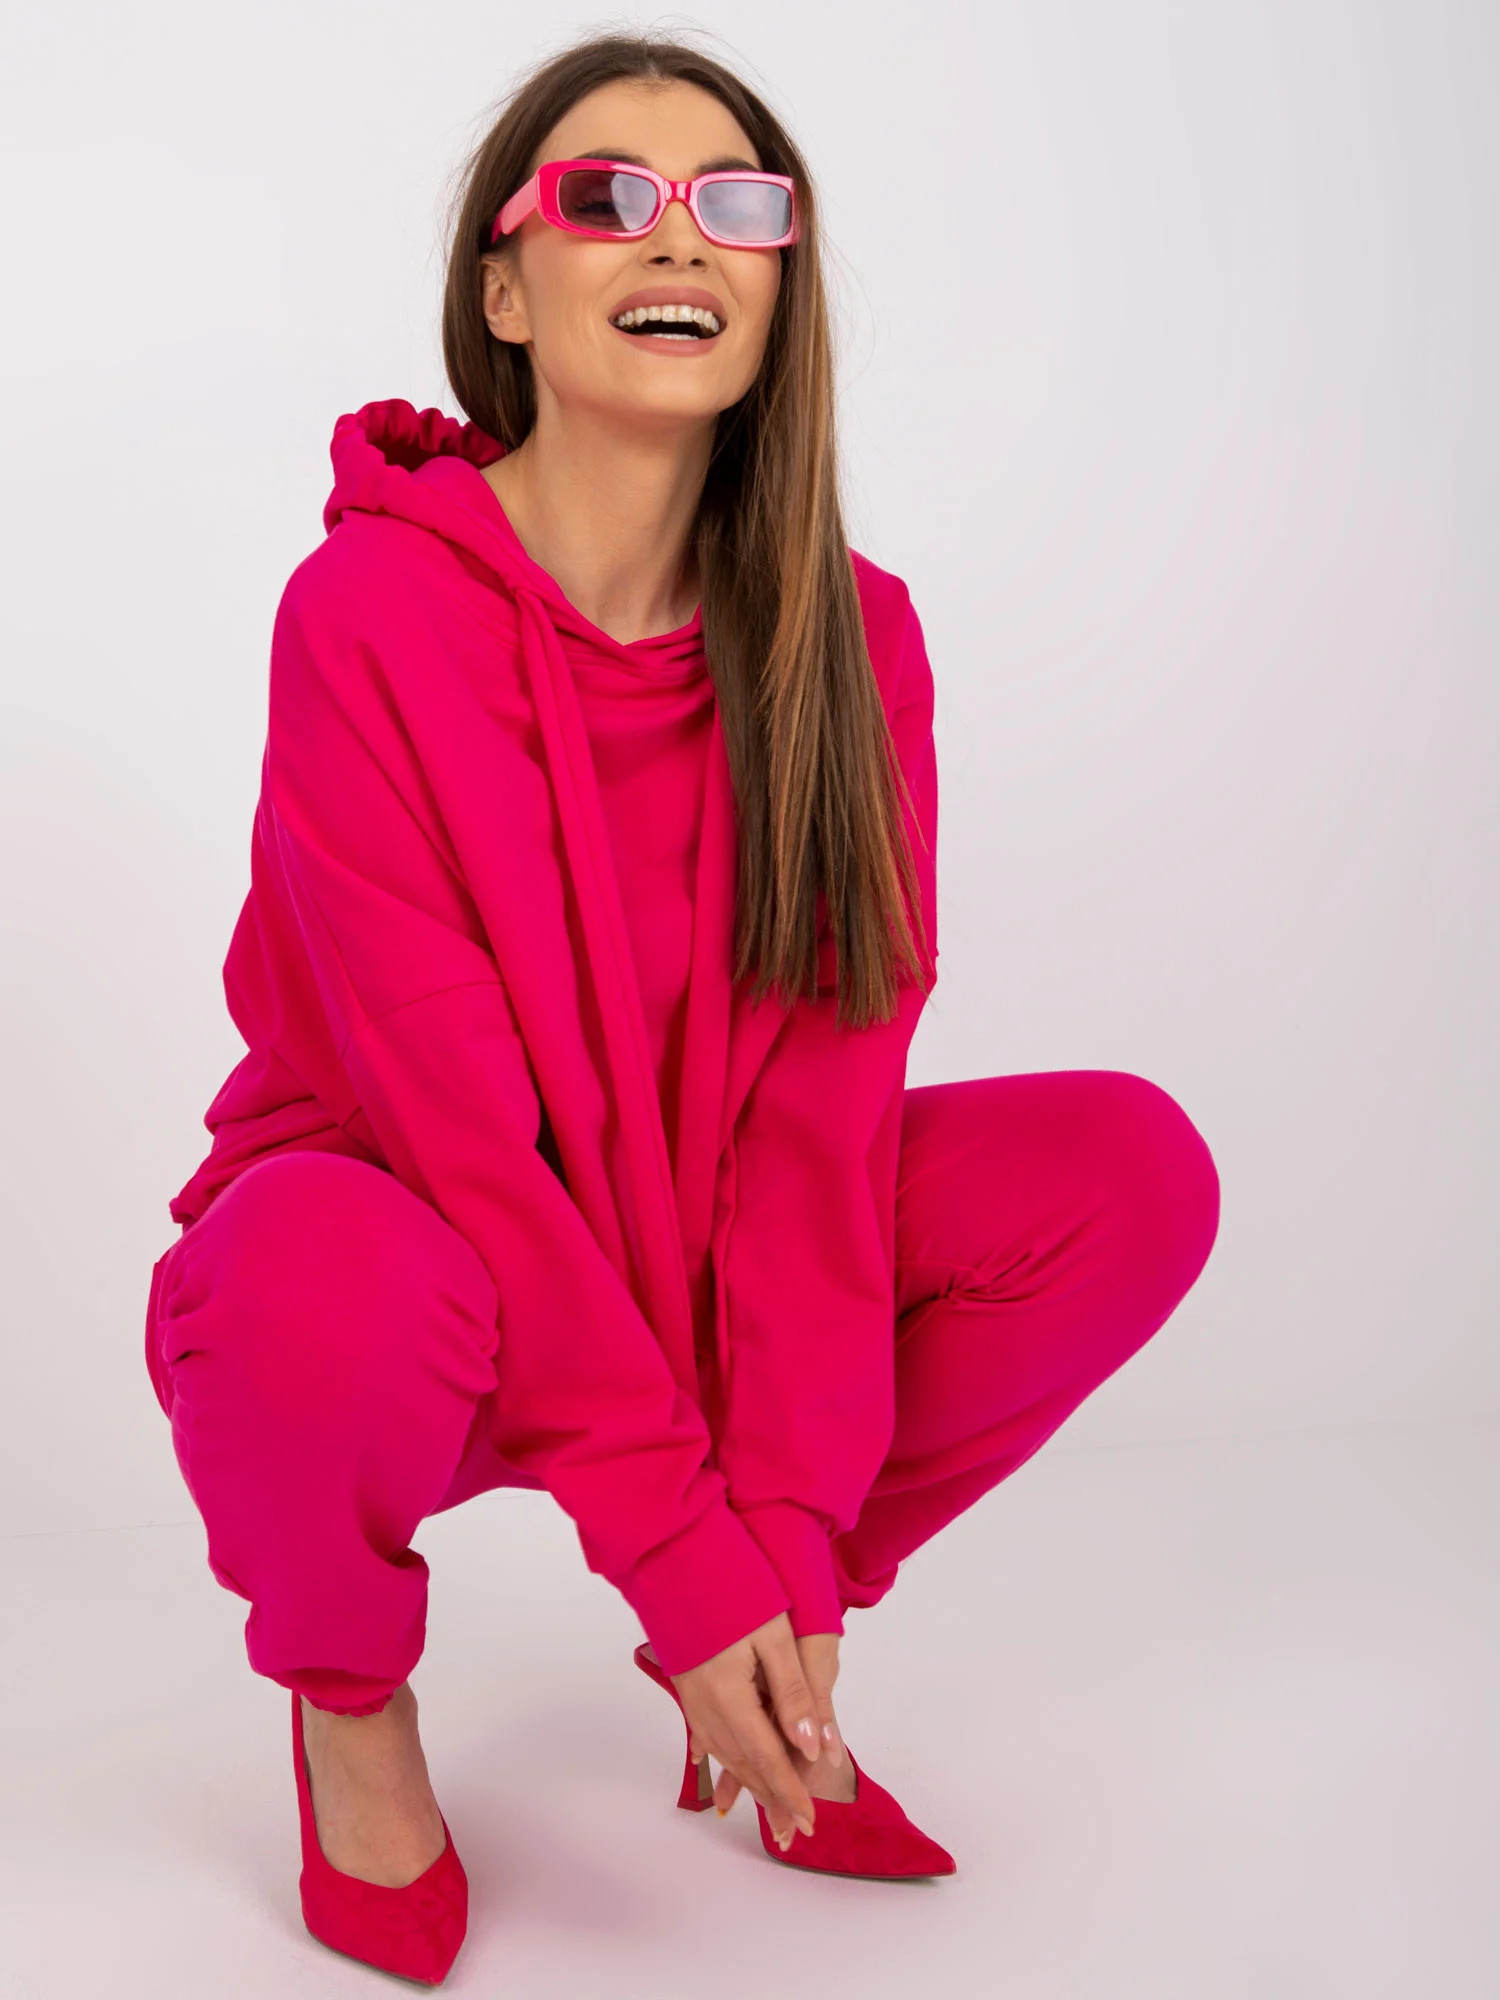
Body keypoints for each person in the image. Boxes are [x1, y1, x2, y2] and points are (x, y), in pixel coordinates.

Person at [142, 29, 1221, 1986]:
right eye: (606, 196)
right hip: (420, 1268)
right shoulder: (368, 618)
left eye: (737, 201)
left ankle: (763, 1649)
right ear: (504, 289)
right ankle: (348, 1702)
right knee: (315, 1282)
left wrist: (773, 1545)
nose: (680, 237)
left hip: (697, 1257)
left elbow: (818, 1125)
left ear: (779, 284)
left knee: (1122, 1175)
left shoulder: (851, 636)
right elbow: (463, 1136)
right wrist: (674, 1539)